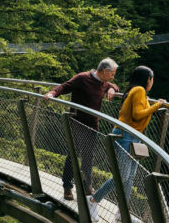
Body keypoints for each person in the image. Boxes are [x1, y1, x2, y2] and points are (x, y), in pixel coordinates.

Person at [88, 65, 166, 223]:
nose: (152, 82)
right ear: (147, 79)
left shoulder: (136, 91)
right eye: (152, 79)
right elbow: (137, 115)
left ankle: (121, 212)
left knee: (129, 178)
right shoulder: (139, 90)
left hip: (132, 137)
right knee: (122, 176)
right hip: (125, 136)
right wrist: (158, 105)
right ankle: (93, 201)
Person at [44, 58, 119, 200]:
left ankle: (86, 186)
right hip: (77, 123)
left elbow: (114, 85)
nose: (112, 76)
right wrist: (52, 94)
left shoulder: (104, 83)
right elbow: (65, 86)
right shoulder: (83, 78)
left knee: (88, 157)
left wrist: (112, 88)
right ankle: (67, 187)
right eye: (112, 73)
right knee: (73, 155)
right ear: (104, 71)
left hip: (92, 125)